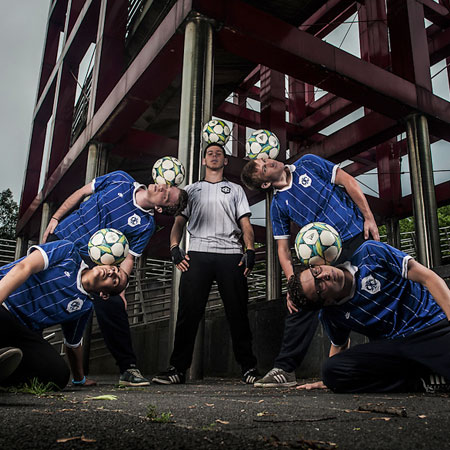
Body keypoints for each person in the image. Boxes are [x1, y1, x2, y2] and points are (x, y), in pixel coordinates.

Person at [240, 154, 379, 387]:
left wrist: (369, 218)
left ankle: (396, 345)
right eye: (263, 168)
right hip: (325, 256)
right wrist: (293, 284)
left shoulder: (308, 163)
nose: (269, 163)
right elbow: (283, 250)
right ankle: (285, 369)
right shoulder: (278, 206)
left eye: (265, 160)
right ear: (265, 184)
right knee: (302, 300)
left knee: (375, 287)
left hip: (355, 235)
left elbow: (348, 181)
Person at [42, 170, 188, 386]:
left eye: (166, 195)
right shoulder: (121, 179)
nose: (162, 188)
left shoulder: (145, 226)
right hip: (64, 240)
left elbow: (129, 259)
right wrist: (55, 218)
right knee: (37, 291)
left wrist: (119, 287)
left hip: (94, 264)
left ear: (159, 208)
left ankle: (128, 369)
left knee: (112, 304)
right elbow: (82, 192)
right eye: (166, 186)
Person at [152, 143, 259, 385]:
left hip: (231, 255)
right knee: (188, 314)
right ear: (203, 161)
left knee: (238, 313)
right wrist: (174, 248)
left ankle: (249, 368)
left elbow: (246, 225)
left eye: (218, 153)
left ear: (225, 161)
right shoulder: (190, 190)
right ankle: (177, 369)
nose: (213, 156)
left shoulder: (235, 190)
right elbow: (178, 222)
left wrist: (250, 250)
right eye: (209, 153)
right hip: (197, 254)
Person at [288, 240, 450, 393]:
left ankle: (434, 370)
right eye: (319, 287)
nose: (324, 276)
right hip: (393, 348)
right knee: (331, 370)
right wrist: (329, 380)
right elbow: (339, 345)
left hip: (431, 327)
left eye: (316, 271)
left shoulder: (370, 253)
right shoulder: (331, 315)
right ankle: (422, 382)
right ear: (326, 302)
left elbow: (429, 278)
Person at [0, 240, 128, 389]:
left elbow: (73, 345)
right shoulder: (68, 252)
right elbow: (24, 267)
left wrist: (79, 378)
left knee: (58, 375)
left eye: (115, 280)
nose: (112, 272)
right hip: (4, 304)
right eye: (114, 268)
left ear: (104, 294)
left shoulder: (84, 307)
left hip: (21, 330)